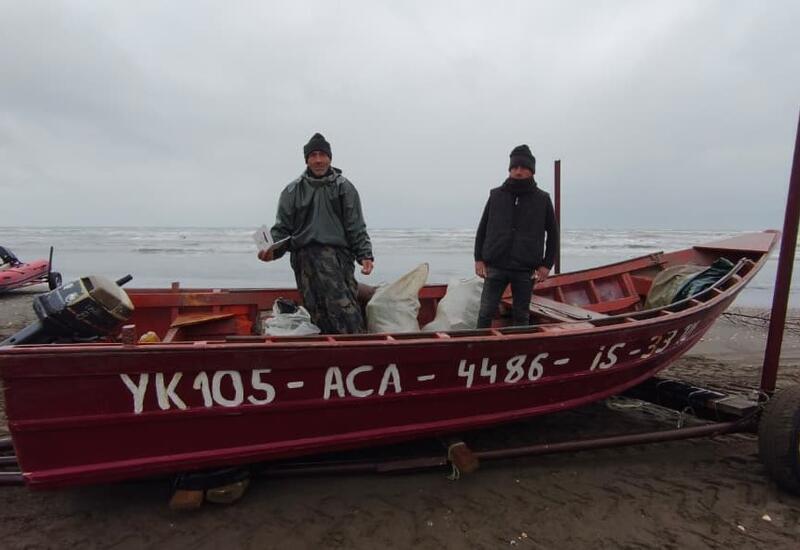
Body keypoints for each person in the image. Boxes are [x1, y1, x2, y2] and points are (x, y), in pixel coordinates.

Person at [258, 133, 374, 334]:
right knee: (316, 310)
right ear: (307, 159)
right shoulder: (292, 191)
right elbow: (282, 229)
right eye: (313, 155)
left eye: (322, 155)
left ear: (330, 158)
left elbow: (356, 225)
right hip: (304, 261)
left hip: (337, 259)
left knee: (344, 308)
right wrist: (271, 251)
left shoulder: (344, 188)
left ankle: (356, 347)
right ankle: (326, 352)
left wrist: (365, 254)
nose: (318, 160)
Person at [474, 144, 559, 328]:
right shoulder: (496, 195)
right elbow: (483, 228)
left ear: (531, 171)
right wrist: (478, 259)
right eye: (514, 167)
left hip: (525, 268)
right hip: (495, 265)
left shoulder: (542, 199)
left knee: (521, 316)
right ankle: (479, 349)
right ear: (510, 169)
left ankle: (518, 350)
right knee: (485, 312)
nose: (518, 171)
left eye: (523, 168)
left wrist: (546, 265)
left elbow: (553, 234)